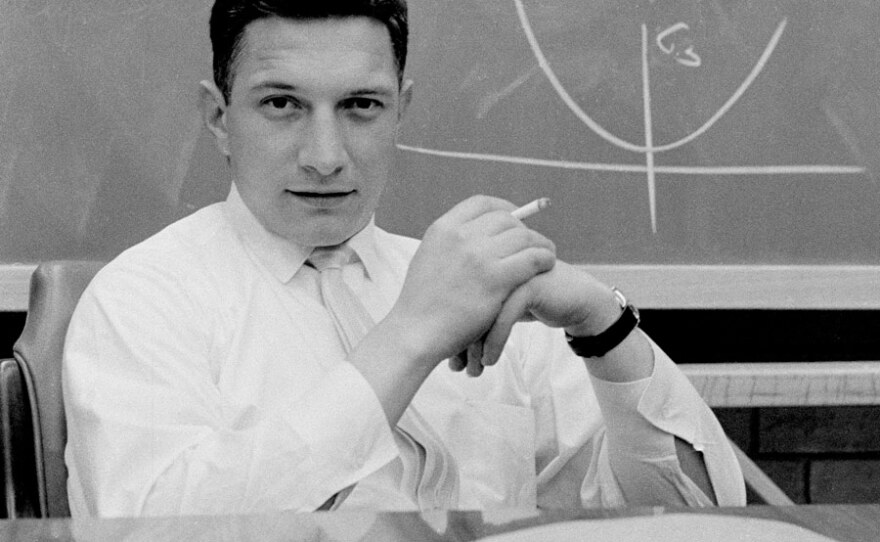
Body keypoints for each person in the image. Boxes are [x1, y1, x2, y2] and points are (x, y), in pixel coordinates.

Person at [62, 0, 745, 517]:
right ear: (218, 119)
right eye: (281, 105)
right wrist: (411, 334)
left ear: (401, 111)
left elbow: (701, 519)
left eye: (360, 105)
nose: (325, 156)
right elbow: (156, 528)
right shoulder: (141, 299)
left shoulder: (480, 285)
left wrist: (604, 324)